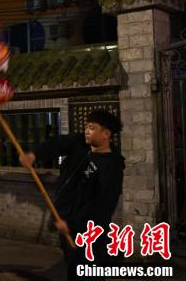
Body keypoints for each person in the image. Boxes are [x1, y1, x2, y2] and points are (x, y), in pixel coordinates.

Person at [20, 109, 124, 281]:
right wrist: (34, 154)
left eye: (92, 127)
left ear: (106, 134)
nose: (86, 131)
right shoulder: (81, 145)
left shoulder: (111, 167)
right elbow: (58, 143)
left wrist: (72, 224)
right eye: (86, 126)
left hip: (89, 232)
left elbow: (102, 206)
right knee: (74, 268)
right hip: (68, 224)